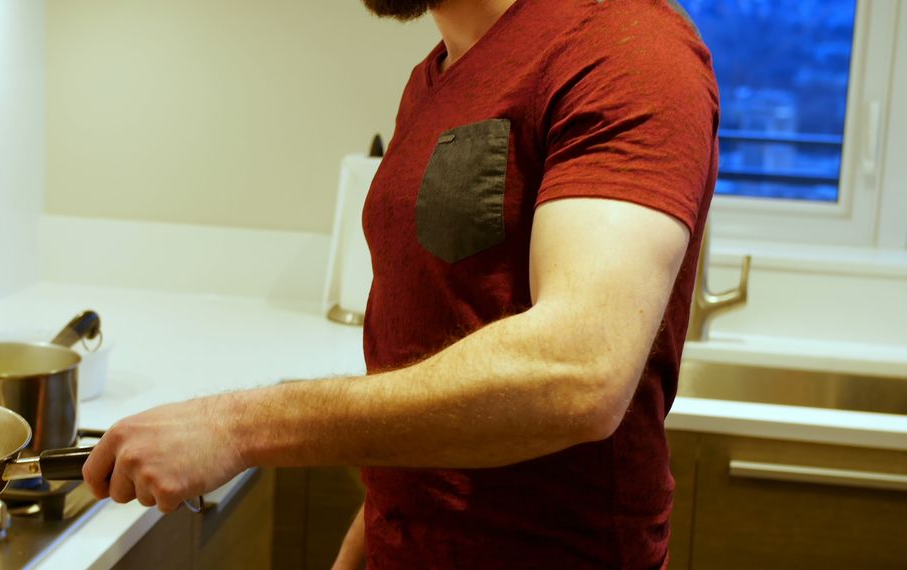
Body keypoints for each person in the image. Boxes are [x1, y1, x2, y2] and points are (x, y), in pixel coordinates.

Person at [82, 0, 718, 567]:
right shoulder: (434, 77)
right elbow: (438, 344)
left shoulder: (624, 45)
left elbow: (579, 371)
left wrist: (234, 427)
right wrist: (371, 534)